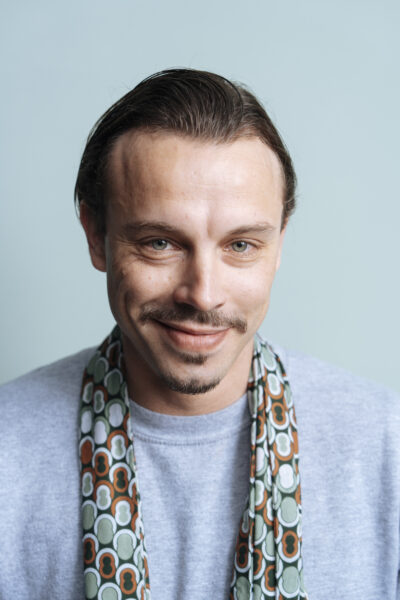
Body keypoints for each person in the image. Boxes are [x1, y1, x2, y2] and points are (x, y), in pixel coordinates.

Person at [0, 68, 398, 600]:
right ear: (96, 236)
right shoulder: (6, 451)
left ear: (279, 244)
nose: (203, 295)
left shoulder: (387, 447)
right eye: (160, 243)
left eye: (241, 245)